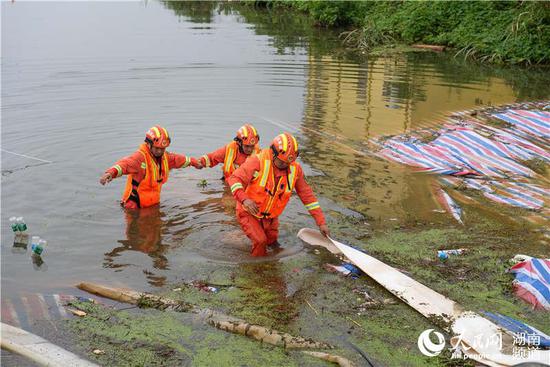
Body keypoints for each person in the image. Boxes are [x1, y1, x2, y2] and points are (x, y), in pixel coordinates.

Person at [227, 132, 330, 256]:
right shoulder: (257, 161)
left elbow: (307, 196)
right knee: (261, 242)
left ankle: (269, 262)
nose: (285, 166)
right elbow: (234, 179)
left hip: (271, 217)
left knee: (272, 243)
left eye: (288, 163)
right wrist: (245, 199)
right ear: (273, 154)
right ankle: (256, 271)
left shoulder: (295, 170)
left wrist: (321, 222)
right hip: (249, 212)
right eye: (282, 163)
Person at [100, 125, 201, 209]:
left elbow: (178, 160)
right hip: (134, 208)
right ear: (148, 144)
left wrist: (194, 162)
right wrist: (110, 173)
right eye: (157, 148)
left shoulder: (165, 157)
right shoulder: (139, 158)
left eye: (162, 149)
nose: (160, 151)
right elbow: (124, 165)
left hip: (153, 206)